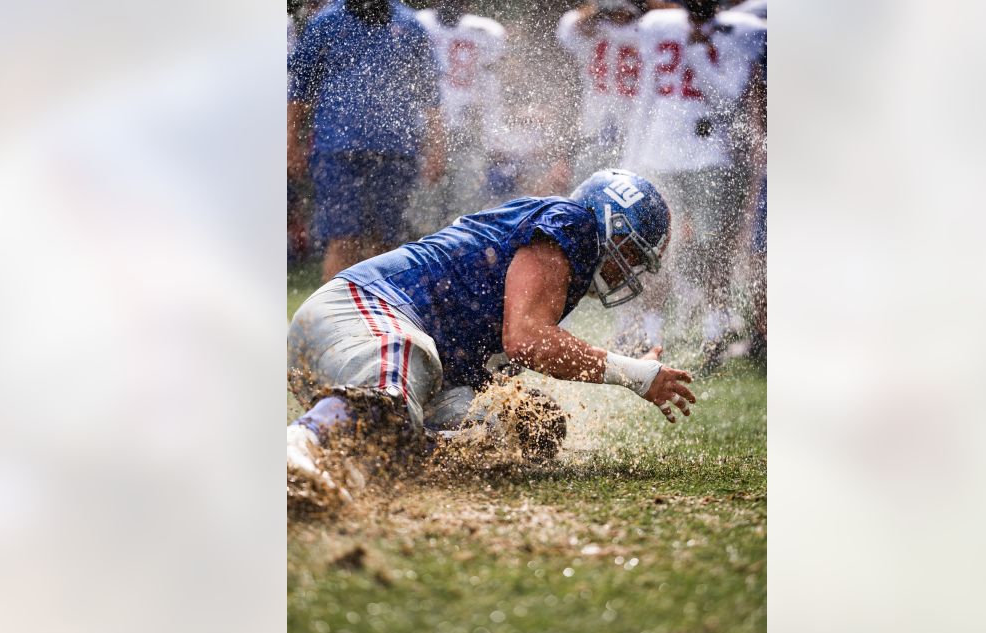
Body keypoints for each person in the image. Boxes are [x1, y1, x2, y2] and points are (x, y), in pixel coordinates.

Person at [287, 169, 698, 505]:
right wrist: (634, 374)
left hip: (381, 348)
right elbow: (527, 339)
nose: (628, 269)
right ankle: (299, 447)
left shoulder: (563, 259)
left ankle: (340, 464)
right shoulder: (573, 223)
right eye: (630, 252)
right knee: (395, 391)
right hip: (365, 310)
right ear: (609, 222)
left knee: (502, 435)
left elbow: (497, 350)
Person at [615, 0, 766, 370]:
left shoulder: (739, 31)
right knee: (655, 249)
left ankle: (714, 334)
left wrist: (697, 49)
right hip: (660, 154)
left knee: (715, 249)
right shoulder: (660, 25)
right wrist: (631, 157)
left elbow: (727, 99)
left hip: (710, 156)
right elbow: (647, 95)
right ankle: (652, 336)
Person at [287, 0, 447, 282]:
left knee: (387, 245)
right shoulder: (324, 23)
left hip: (396, 151)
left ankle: (380, 320)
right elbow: (299, 93)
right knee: (343, 240)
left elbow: (430, 93)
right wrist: (291, 146)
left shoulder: (409, 24)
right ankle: (331, 321)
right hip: (338, 150)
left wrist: (437, 147)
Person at [410, 0, 508, 236]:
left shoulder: (485, 31)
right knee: (424, 211)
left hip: (467, 131)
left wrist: (491, 130)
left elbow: (493, 83)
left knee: (465, 209)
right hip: (425, 130)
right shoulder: (418, 23)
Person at [555, 1, 646, 184]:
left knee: (629, 179)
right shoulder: (593, 27)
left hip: (633, 117)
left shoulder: (645, 28)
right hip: (596, 115)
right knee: (588, 174)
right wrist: (601, 7)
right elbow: (566, 27)